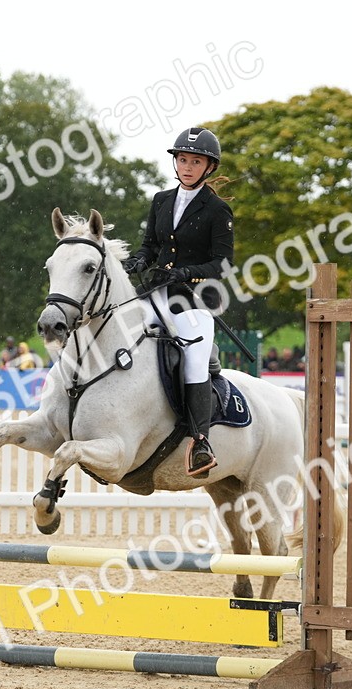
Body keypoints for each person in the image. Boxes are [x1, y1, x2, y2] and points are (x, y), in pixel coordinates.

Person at [122, 126, 233, 477]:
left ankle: (200, 440)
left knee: (195, 360)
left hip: (196, 301)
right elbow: (150, 246)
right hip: (157, 294)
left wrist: (185, 273)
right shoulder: (161, 200)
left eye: (195, 161)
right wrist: (139, 261)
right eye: (182, 159)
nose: (186, 166)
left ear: (208, 167)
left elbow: (222, 263)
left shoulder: (218, 210)